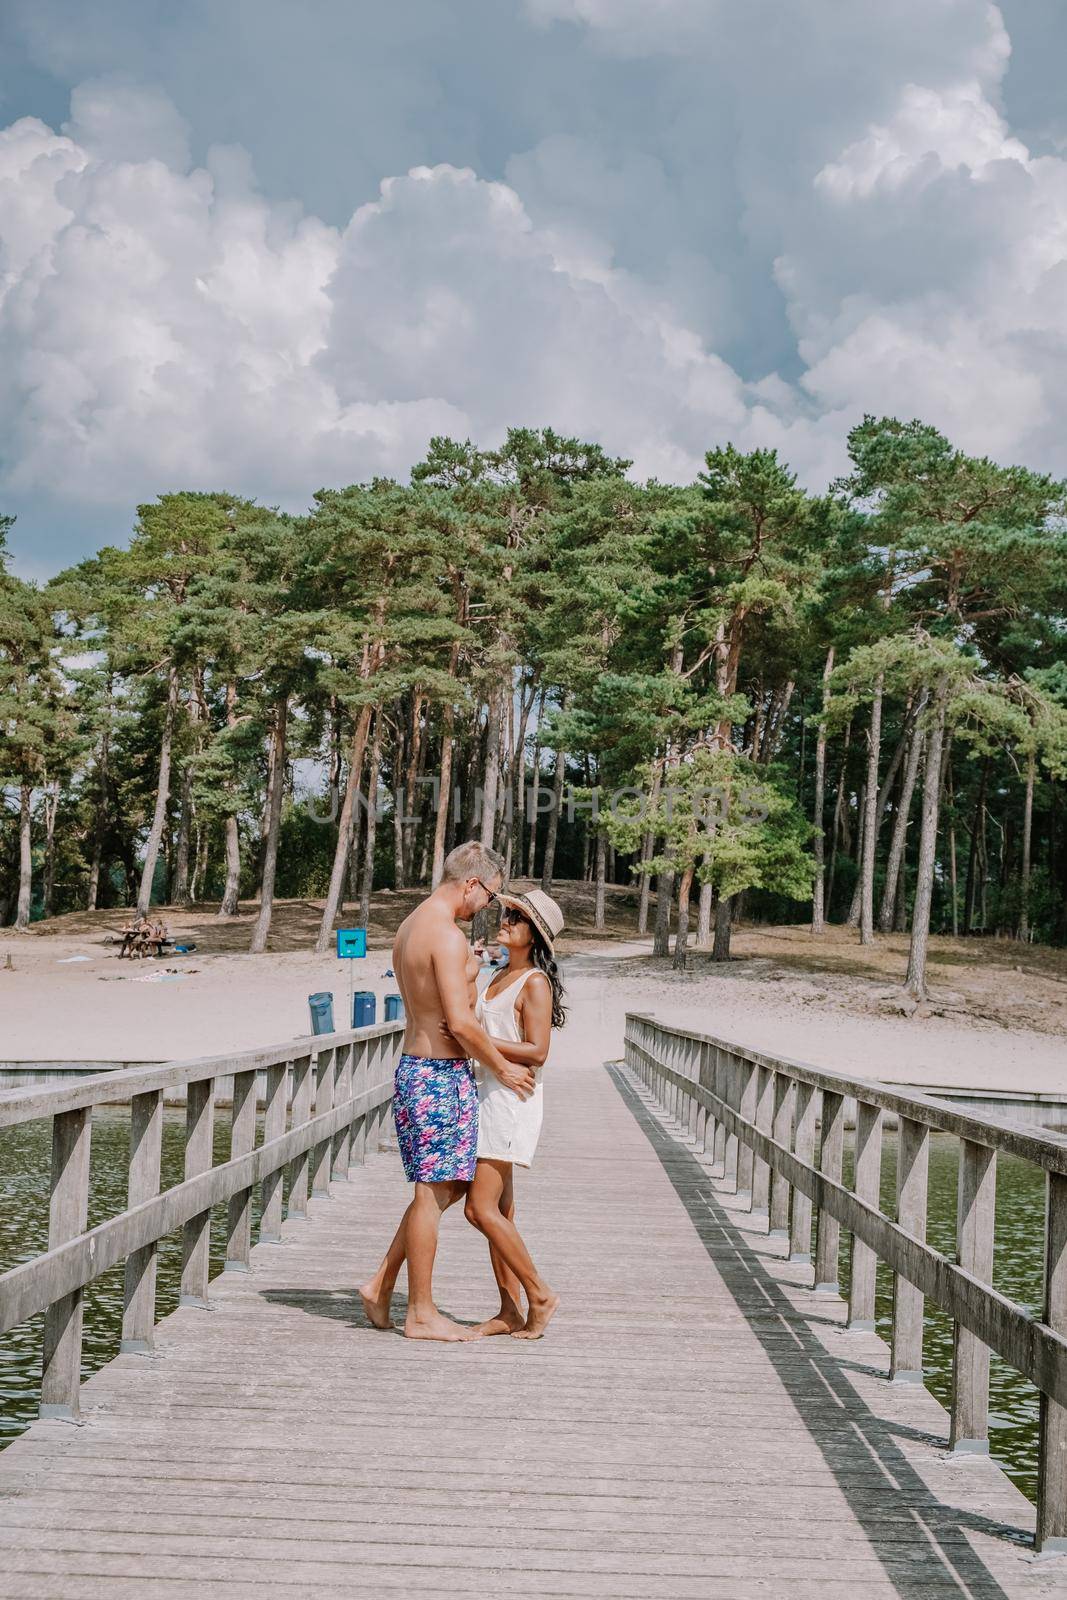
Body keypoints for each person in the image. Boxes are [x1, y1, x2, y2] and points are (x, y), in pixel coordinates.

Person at [357, 840, 534, 1342]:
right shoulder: (449, 937)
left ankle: (381, 1283)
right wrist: (502, 1066)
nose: (488, 908)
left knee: (448, 1186)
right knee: (435, 1194)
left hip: (416, 1067)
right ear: (471, 883)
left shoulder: (411, 926)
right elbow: (458, 1022)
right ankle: (420, 1312)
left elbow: (435, 1003)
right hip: (438, 1075)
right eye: (489, 897)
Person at [465, 887, 566, 1340]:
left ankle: (540, 1295)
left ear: (535, 937)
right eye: (506, 913)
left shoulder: (535, 983)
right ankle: (509, 1310)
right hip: (487, 1094)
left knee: (479, 1209)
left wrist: (474, 1039)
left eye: (515, 918)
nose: (504, 920)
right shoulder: (499, 973)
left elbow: (538, 1050)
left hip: (511, 1101)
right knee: (502, 1209)